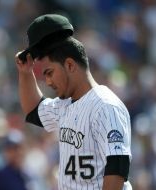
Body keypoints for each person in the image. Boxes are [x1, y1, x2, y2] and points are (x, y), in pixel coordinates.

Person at [15, 14, 132, 190]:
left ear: (70, 65)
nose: (48, 82)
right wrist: (25, 73)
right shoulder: (65, 104)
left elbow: (117, 168)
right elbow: (34, 110)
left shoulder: (105, 105)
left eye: (49, 73)